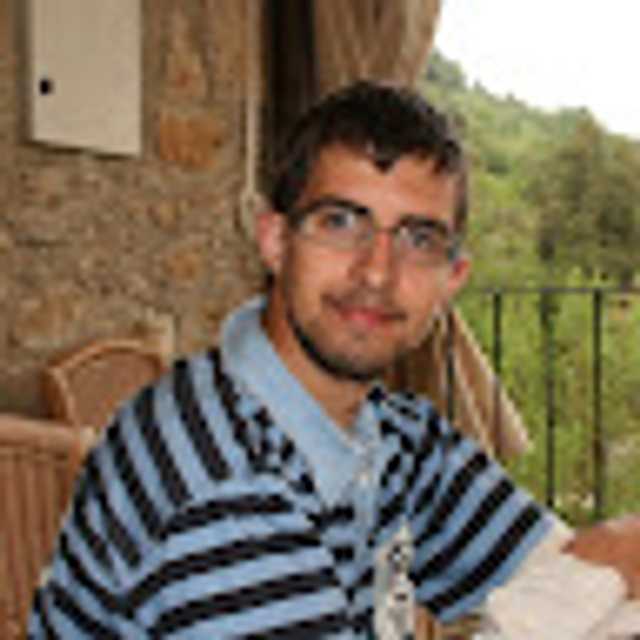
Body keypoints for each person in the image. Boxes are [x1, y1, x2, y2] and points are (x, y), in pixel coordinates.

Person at [29, 81, 639, 639]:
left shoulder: (392, 435)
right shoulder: (220, 477)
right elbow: (573, 594)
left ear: (452, 279)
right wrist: (542, 615)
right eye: (341, 222)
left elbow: (603, 564)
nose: (377, 272)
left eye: (419, 239)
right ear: (275, 241)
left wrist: (584, 580)